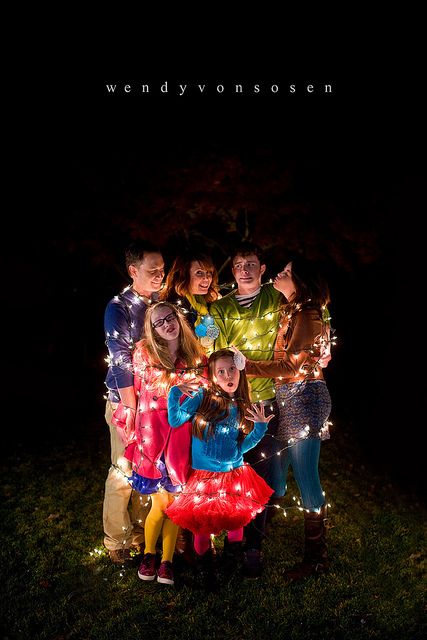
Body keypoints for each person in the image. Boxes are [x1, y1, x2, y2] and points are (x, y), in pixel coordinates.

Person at [241, 256, 332, 580]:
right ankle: (266, 527)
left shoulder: (307, 313)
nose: (279, 274)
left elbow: (292, 366)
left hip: (306, 399)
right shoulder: (291, 312)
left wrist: (246, 365)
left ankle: (316, 557)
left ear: (300, 281)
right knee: (276, 476)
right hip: (288, 399)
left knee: (306, 478)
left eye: (287, 272)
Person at [112, 301, 207, 586]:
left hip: (180, 440)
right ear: (152, 329)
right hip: (153, 437)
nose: (167, 324)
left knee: (175, 505)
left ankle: (167, 561)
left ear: (178, 318)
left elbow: (200, 390)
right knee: (160, 504)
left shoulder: (196, 355)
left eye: (170, 317)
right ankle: (149, 554)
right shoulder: (144, 353)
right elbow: (147, 390)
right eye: (159, 322)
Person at [166, 348, 274, 589]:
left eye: (231, 370)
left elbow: (241, 447)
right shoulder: (202, 398)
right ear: (213, 375)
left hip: (233, 475)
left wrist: (259, 429)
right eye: (221, 371)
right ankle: (206, 568)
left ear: (240, 372)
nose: (227, 376)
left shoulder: (242, 405)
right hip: (204, 478)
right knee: (203, 526)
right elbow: (175, 420)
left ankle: (231, 562)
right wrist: (174, 393)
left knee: (236, 523)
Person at [209, 243, 284, 577]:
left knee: (263, 477)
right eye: (238, 265)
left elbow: (317, 310)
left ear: (262, 268)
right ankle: (231, 543)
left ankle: (253, 547)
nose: (244, 270)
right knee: (230, 475)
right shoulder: (221, 308)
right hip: (232, 404)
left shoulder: (276, 299)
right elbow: (215, 350)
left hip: (265, 401)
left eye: (251, 264)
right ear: (233, 270)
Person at [103, 240, 165, 565]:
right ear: (133, 271)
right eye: (152, 270)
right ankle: (116, 539)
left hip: (155, 405)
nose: (159, 275)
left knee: (147, 470)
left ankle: (142, 535)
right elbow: (120, 360)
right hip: (126, 403)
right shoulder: (119, 308)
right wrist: (130, 408)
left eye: (162, 269)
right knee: (123, 470)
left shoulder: (160, 305)